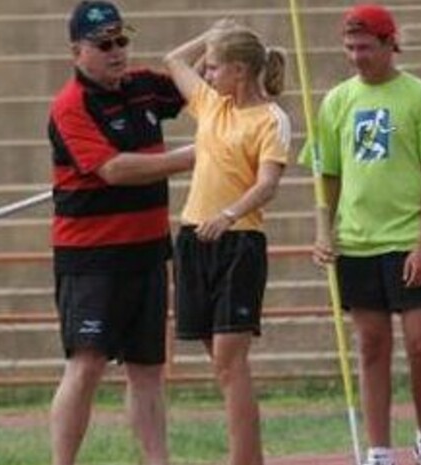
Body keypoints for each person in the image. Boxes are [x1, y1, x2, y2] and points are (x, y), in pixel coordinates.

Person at [305, 4, 421, 465]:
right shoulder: (336, 101)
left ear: (390, 44)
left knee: (420, 343)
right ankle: (378, 449)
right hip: (357, 241)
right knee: (371, 344)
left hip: (409, 239)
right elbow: (325, 173)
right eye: (349, 48)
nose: (356, 57)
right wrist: (322, 231)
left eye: (365, 47)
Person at [46, 2, 194, 464]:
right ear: (77, 52)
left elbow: (196, 78)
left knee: (148, 369)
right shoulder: (71, 106)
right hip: (94, 259)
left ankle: (157, 460)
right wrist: (192, 156)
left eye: (122, 40)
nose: (116, 52)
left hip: (148, 253)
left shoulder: (144, 88)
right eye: (103, 44)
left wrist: (220, 39)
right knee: (87, 365)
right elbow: (114, 169)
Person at [164, 20, 290, 465]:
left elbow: (268, 184)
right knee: (220, 363)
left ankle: (244, 459)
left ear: (239, 71)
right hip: (195, 237)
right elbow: (173, 61)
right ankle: (251, 454)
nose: (207, 73)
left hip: (238, 241)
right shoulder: (211, 104)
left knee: (229, 359)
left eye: (215, 67)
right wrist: (212, 34)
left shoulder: (270, 119)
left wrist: (229, 213)